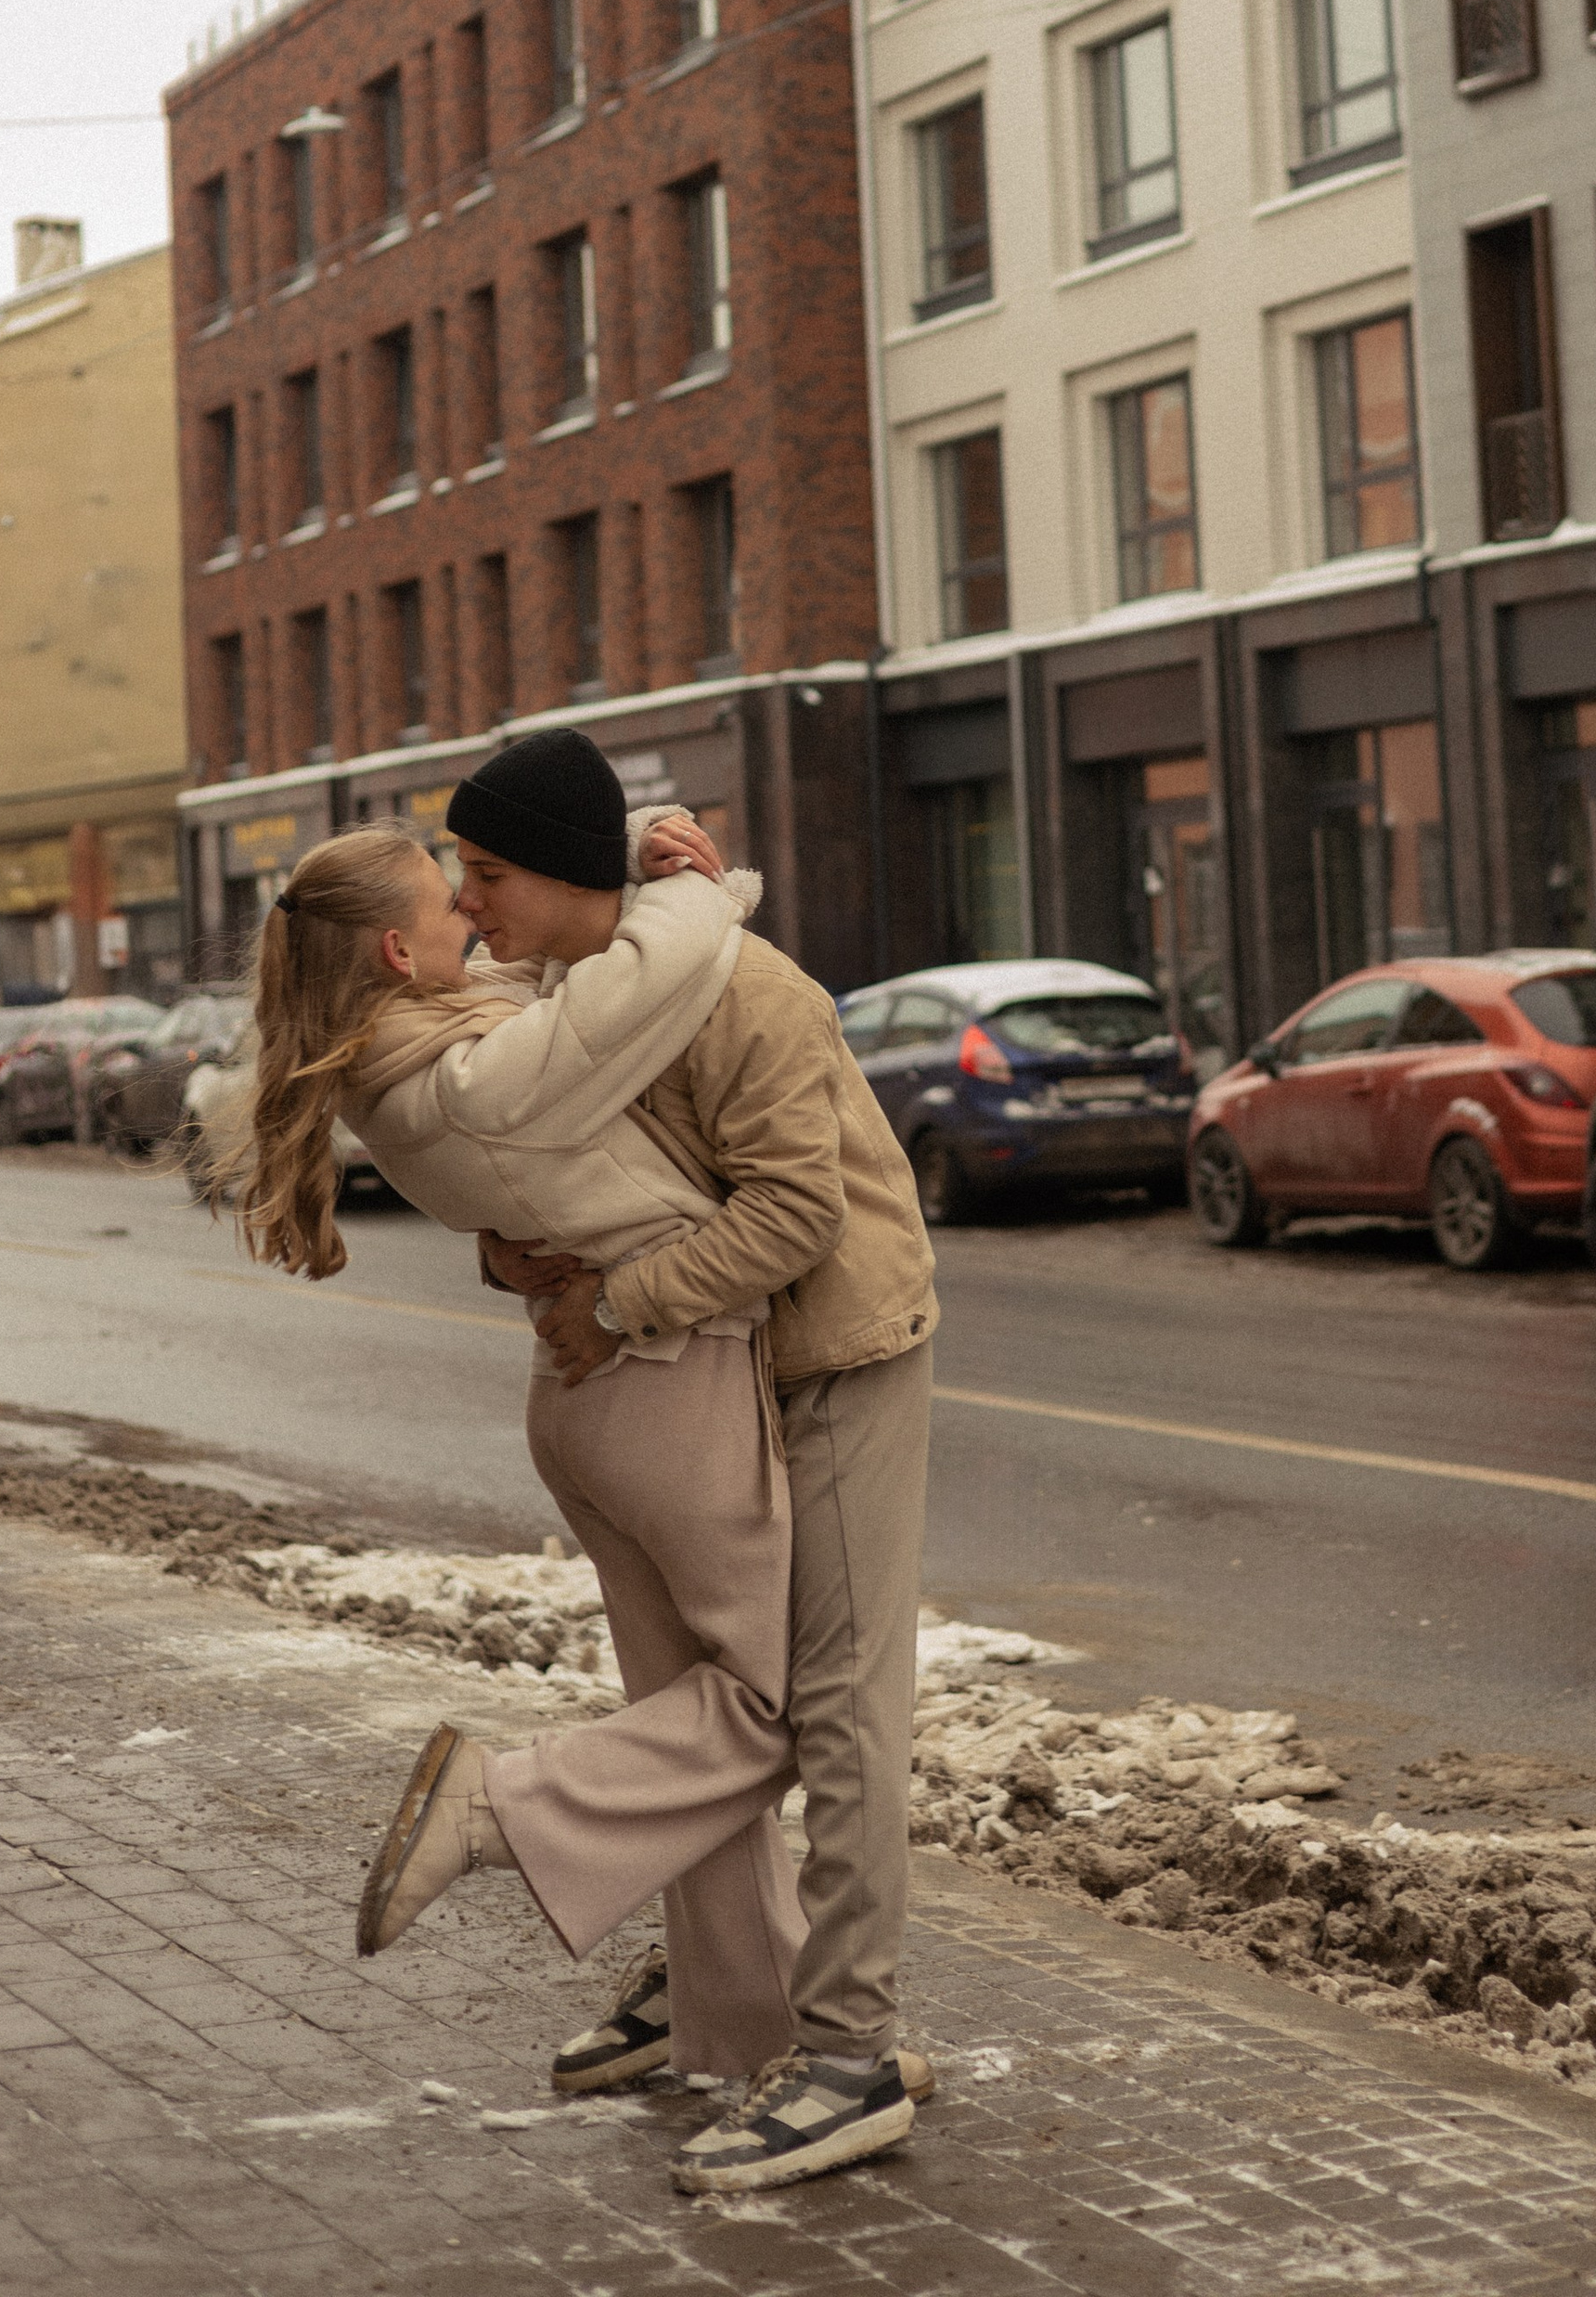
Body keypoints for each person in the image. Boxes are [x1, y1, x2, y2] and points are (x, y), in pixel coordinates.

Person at [447, 729, 940, 2206]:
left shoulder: (747, 993)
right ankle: (725, 1984)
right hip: (700, 1372)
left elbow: (794, 1215)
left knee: (832, 1710)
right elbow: (548, 1187)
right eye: (460, 877)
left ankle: (848, 2058)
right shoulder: (559, 998)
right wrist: (509, 1251)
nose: (469, 908)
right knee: (687, 1693)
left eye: (488, 875)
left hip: (832, 1358)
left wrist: (611, 1304)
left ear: (566, 874)